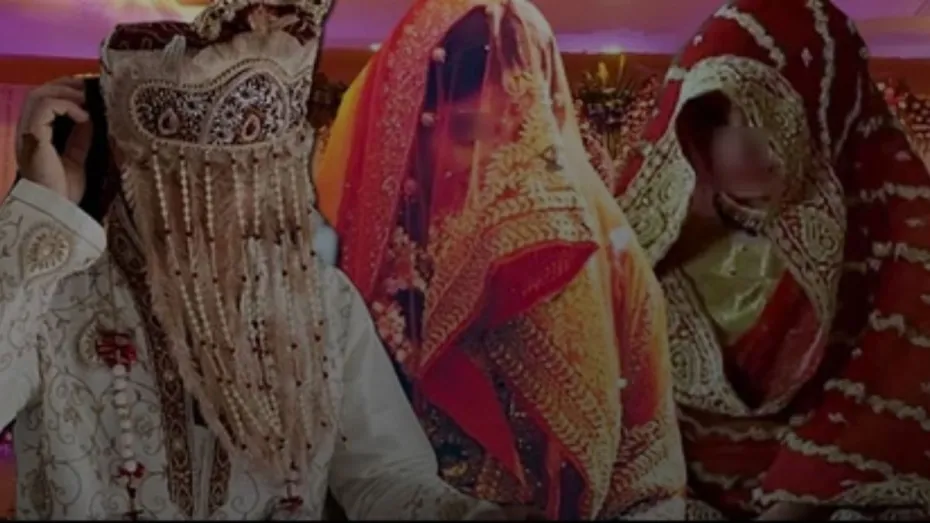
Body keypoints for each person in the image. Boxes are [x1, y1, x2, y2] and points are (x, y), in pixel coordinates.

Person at [0, 0, 528, 519]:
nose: (233, 201)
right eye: (193, 176)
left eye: (256, 172)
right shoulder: (52, 290)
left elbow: (384, 477)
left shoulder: (320, 302)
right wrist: (42, 211)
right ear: (130, 163)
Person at [314, 0, 686, 519]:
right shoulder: (359, 278)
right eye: (468, 133)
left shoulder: (612, 267)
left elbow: (652, 481)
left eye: (526, 136)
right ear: (413, 134)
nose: (504, 166)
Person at [615, 0, 930, 519]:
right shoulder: (652, 240)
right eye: (720, 117)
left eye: (770, 114)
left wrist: (798, 502)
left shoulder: (892, 246)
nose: (741, 144)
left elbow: (884, 394)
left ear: (827, 117)